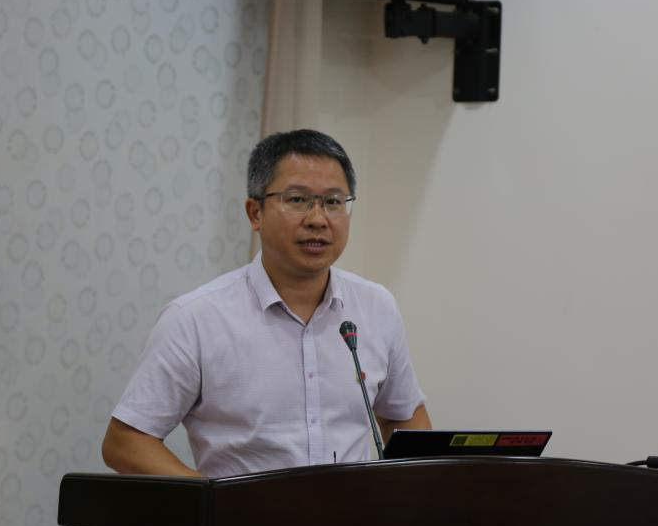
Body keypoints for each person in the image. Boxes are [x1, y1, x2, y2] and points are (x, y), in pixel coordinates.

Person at [102, 129, 431, 478]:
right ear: (255, 212)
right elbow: (126, 442)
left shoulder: (376, 307)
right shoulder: (196, 319)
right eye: (297, 200)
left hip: (354, 514)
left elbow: (404, 418)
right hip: (242, 514)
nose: (318, 219)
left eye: (334, 202)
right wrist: (213, 499)